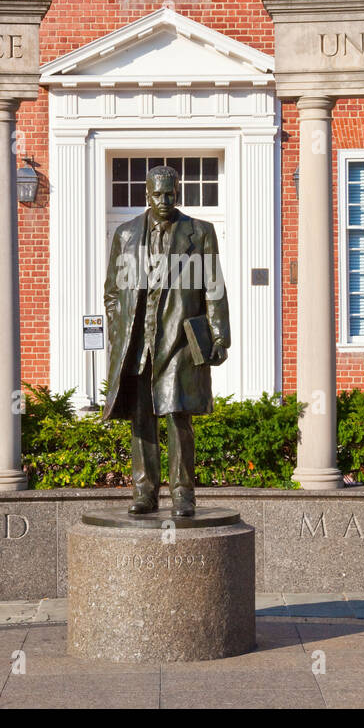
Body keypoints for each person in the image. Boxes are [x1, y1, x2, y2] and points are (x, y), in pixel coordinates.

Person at [102, 165, 230, 517]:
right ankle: (144, 492)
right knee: (141, 419)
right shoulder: (126, 234)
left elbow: (213, 286)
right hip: (137, 342)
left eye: (170, 193)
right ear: (147, 194)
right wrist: (119, 329)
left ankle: (183, 494)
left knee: (177, 416)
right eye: (158, 194)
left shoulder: (200, 232)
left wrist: (220, 336)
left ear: (178, 193)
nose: (164, 200)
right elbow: (112, 292)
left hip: (179, 340)